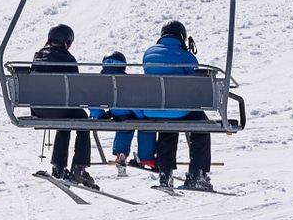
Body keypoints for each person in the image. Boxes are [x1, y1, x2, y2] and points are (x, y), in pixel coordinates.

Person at [142, 20, 213, 190]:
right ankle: (198, 174)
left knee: (167, 127)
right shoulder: (187, 57)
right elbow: (195, 83)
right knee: (202, 128)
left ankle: (165, 175)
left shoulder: (148, 53)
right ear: (182, 37)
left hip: (155, 110)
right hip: (178, 110)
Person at [31, 24, 98, 189]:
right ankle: (79, 168)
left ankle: (59, 167)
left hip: (39, 110)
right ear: (67, 43)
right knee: (81, 118)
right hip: (60, 108)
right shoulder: (68, 59)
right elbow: (74, 89)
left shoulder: (38, 57)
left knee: (65, 121)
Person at [88, 51, 156, 176]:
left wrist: (101, 115)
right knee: (146, 126)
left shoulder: (99, 81)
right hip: (132, 113)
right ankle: (147, 158)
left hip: (118, 115)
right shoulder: (127, 81)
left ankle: (121, 153)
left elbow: (93, 103)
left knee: (123, 127)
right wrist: (141, 116)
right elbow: (133, 102)